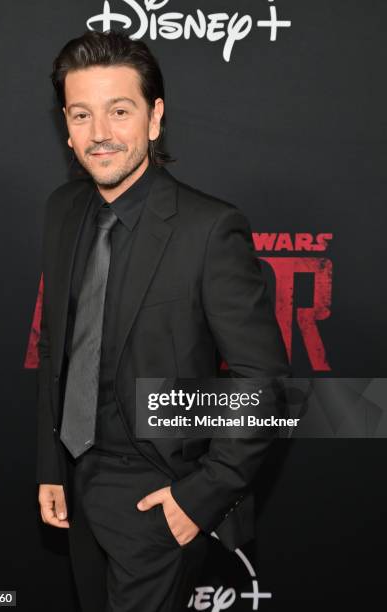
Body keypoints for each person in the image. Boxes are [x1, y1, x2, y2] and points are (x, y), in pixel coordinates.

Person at [36, 29, 291, 612]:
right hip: (76, 484)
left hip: (156, 492)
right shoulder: (62, 210)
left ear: (154, 119)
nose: (99, 133)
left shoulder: (209, 229)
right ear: (67, 127)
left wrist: (199, 496)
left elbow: (263, 384)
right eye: (81, 115)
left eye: (118, 111)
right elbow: (56, 346)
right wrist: (52, 465)